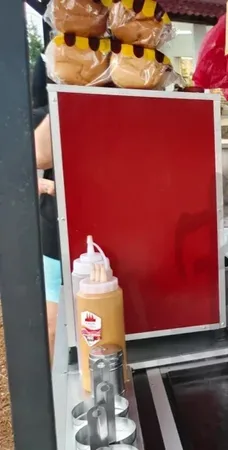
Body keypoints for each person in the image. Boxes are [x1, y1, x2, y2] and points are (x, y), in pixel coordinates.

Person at [31, 51, 61, 364]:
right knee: (53, 323)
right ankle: (52, 400)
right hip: (57, 226)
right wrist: (63, 92)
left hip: (105, 224)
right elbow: (40, 158)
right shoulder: (44, 110)